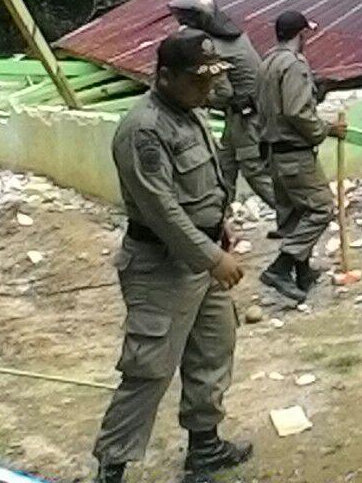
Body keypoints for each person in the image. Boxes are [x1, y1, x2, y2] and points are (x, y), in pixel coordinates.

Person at [91, 29, 251, 483]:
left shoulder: (188, 112)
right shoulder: (144, 129)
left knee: (212, 351)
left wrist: (217, 226)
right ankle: (113, 466)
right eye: (198, 81)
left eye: (211, 80)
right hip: (162, 267)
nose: (209, 90)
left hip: (201, 258)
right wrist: (211, 257)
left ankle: (206, 447)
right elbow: (160, 208)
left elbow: (196, 185)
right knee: (149, 369)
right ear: (164, 77)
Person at [168, 0, 281, 236]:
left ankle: (291, 219)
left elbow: (224, 91)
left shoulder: (212, 47)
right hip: (244, 114)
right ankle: (217, 222)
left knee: (253, 170)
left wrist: (198, 99)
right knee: (224, 167)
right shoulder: (235, 36)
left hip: (247, 117)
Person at [255, 10, 344, 303]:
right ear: (301, 34)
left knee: (294, 214)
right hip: (294, 151)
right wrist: (325, 129)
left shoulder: (266, 62)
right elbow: (296, 111)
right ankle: (281, 267)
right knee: (321, 208)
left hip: (274, 151)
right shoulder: (293, 65)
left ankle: (303, 272)